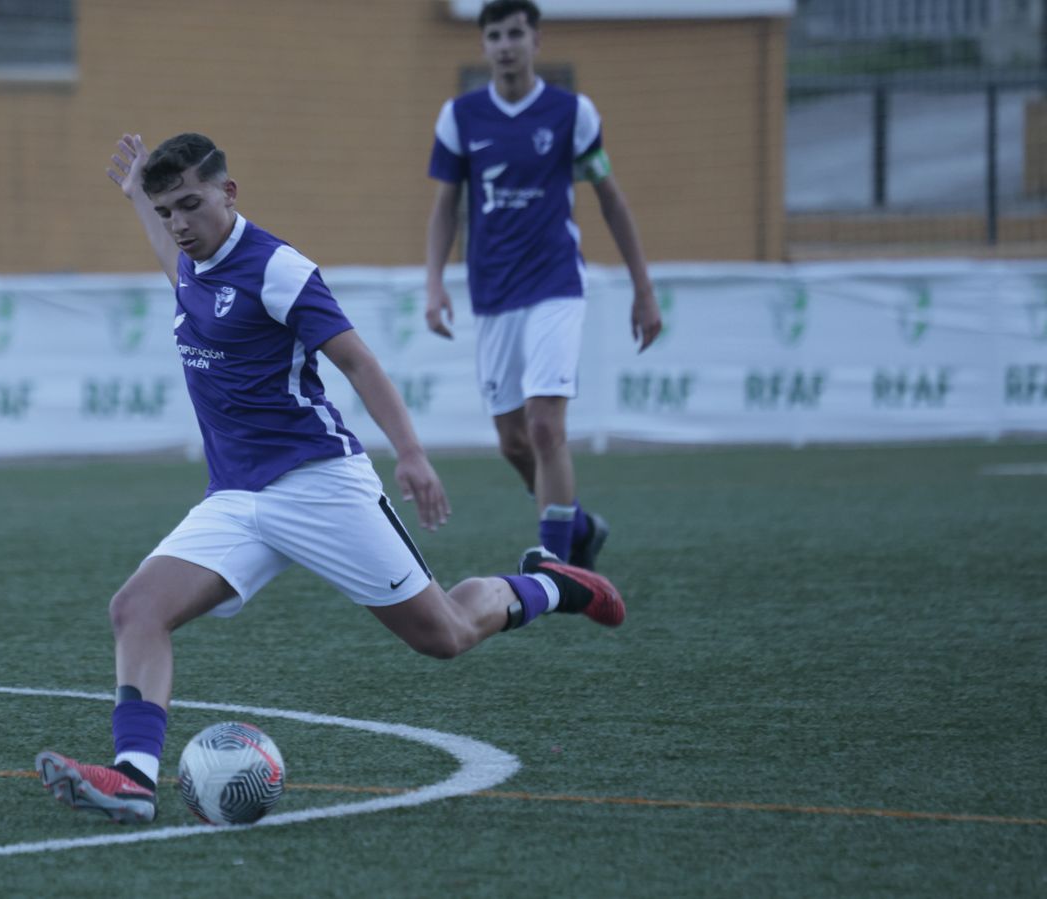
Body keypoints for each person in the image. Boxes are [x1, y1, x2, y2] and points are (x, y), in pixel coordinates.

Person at [33, 132, 627, 825]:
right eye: (167, 212)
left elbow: (360, 363)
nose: (179, 225)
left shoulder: (279, 268)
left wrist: (409, 453)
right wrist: (141, 197)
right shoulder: (190, 260)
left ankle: (557, 583)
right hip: (234, 498)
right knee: (135, 609)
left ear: (229, 192)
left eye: (190, 205)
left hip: (319, 485)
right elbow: (176, 262)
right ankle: (134, 777)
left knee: (445, 633)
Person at [424, 0, 662, 568]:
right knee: (512, 442)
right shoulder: (460, 117)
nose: (505, 45)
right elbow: (445, 209)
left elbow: (610, 199)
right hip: (493, 294)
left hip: (556, 285)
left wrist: (643, 288)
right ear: (483, 46)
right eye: (495, 36)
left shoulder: (571, 113)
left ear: (536, 41)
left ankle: (557, 566)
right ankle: (576, 525)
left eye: (516, 34)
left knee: (545, 427)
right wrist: (434, 284)